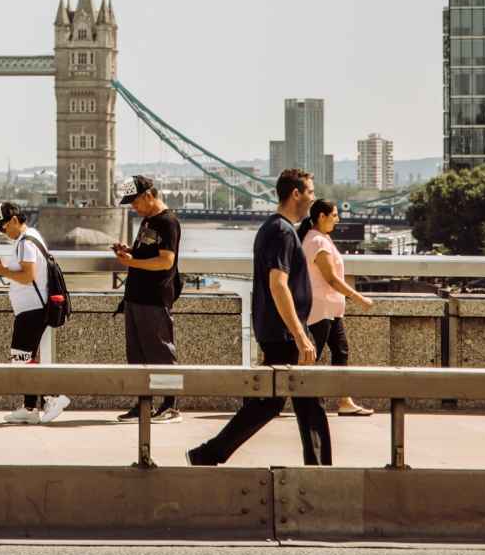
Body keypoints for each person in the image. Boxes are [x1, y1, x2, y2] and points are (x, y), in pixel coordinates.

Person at [186, 168, 332, 467]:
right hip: (285, 333)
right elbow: (278, 284)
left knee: (272, 402)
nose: (313, 199)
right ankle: (320, 471)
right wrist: (301, 334)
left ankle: (209, 454)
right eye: (310, 193)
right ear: (296, 193)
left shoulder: (272, 228)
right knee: (307, 402)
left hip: (276, 330)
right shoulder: (281, 231)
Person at [0, 201, 71, 425]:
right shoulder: (31, 236)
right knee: (24, 358)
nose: (2, 232)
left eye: (2, 227)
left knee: (21, 357)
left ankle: (53, 396)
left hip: (32, 309)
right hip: (31, 308)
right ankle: (30, 407)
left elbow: (27, 276)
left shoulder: (25, 242)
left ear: (13, 220)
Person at [111, 175, 182, 423]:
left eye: (135, 202)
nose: (133, 207)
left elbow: (166, 261)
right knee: (137, 356)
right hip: (135, 297)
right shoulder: (148, 220)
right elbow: (149, 252)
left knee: (161, 354)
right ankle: (144, 405)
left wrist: (132, 262)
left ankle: (170, 406)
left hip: (154, 298)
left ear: (149, 196)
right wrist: (130, 251)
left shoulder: (167, 222)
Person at [298, 199, 375, 416]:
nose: (338, 219)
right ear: (321, 217)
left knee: (341, 352)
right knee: (309, 356)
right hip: (320, 309)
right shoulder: (317, 242)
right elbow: (331, 278)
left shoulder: (322, 239)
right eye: (334, 215)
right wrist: (359, 298)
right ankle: (276, 397)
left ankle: (345, 400)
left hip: (331, 310)